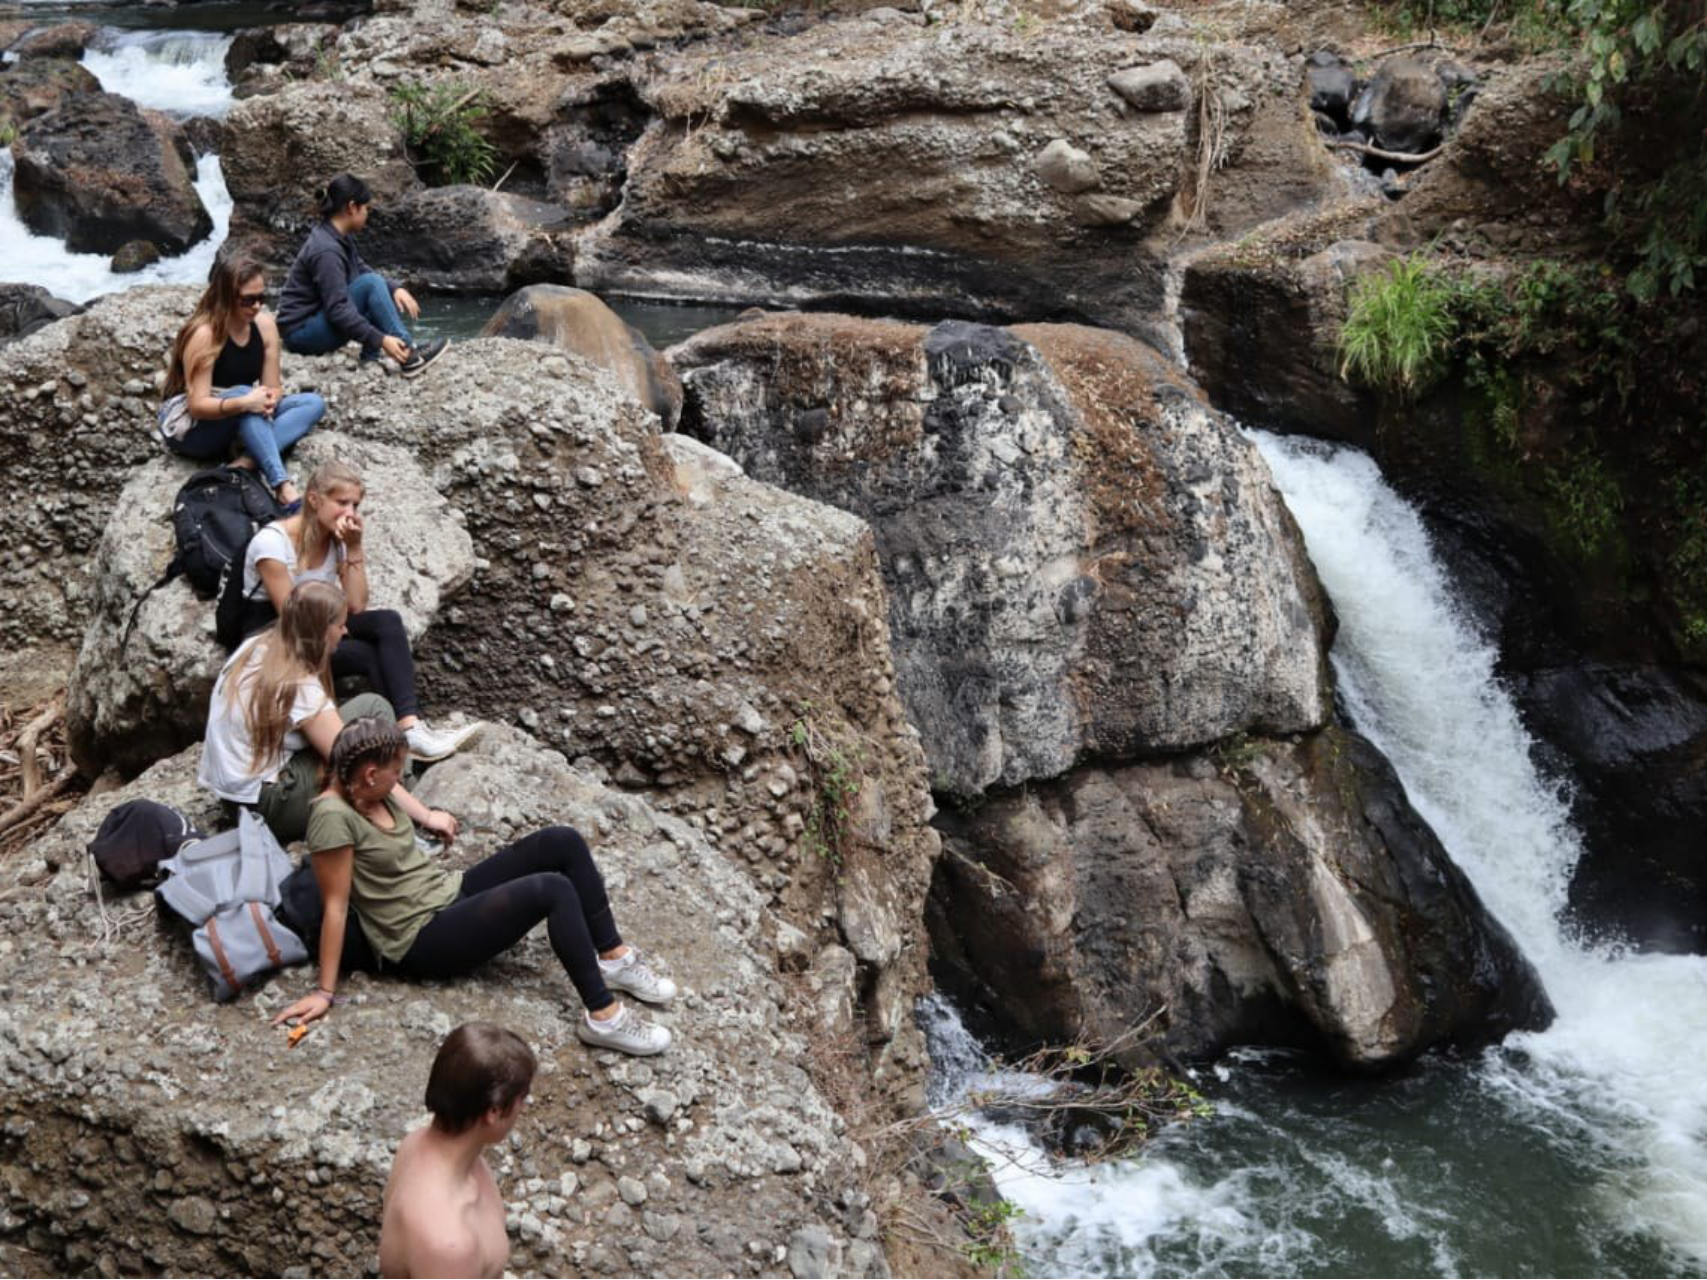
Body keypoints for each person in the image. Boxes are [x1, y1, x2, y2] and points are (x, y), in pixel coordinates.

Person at [269, 716, 676, 1057]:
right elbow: (336, 905)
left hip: (445, 892)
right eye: (396, 770)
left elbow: (401, 798)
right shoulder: (332, 818)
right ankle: (603, 1018)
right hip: (420, 937)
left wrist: (431, 816)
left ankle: (613, 958)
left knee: (562, 840)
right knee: (552, 889)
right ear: (370, 773)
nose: (401, 778)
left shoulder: (369, 785)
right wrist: (324, 991)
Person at [230, 459, 481, 763]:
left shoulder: (335, 541)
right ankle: (398, 742)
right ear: (313, 499)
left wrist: (355, 549)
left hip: (318, 625)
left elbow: (356, 605)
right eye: (341, 503)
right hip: (277, 638)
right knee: (365, 654)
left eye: (355, 505)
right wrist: (336, 629)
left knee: (387, 621)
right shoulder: (272, 544)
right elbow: (292, 617)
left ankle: (409, 727)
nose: (350, 513)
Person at [198, 579, 455, 846]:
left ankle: (399, 788)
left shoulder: (260, 643)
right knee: (363, 757)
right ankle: (399, 819)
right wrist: (427, 816)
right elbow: (351, 759)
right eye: (340, 624)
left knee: (374, 706)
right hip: (265, 805)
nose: (345, 632)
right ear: (321, 630)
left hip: (236, 794)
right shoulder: (296, 681)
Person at [161, 256, 327, 509]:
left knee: (312, 403)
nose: (257, 306)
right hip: (193, 427)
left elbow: (272, 386)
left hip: (238, 412)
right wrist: (245, 402)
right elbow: (196, 405)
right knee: (245, 395)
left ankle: (245, 463)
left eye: (262, 298)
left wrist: (269, 401)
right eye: (248, 300)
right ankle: (282, 486)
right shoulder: (205, 334)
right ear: (226, 297)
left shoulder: (265, 326)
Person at [376, 1023, 534, 1279]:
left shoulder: (415, 1143)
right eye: (521, 1099)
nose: (523, 1109)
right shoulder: (450, 1246)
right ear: (493, 1111)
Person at [276, 173, 448, 378]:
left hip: (315, 321)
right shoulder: (326, 250)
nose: (367, 213)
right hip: (301, 334)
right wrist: (381, 339)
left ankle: (371, 357)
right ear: (352, 207)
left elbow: (361, 269)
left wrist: (395, 288)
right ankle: (409, 354)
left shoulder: (337, 237)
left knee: (378, 288)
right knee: (372, 285)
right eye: (366, 208)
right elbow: (338, 309)